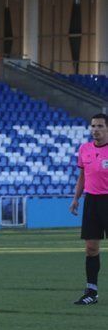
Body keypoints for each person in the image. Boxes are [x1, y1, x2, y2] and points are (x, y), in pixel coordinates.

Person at [70, 113, 108, 305]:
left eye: (100, 126)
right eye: (93, 126)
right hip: (91, 201)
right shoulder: (84, 149)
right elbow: (82, 177)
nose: (95, 130)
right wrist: (76, 199)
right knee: (91, 248)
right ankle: (91, 292)